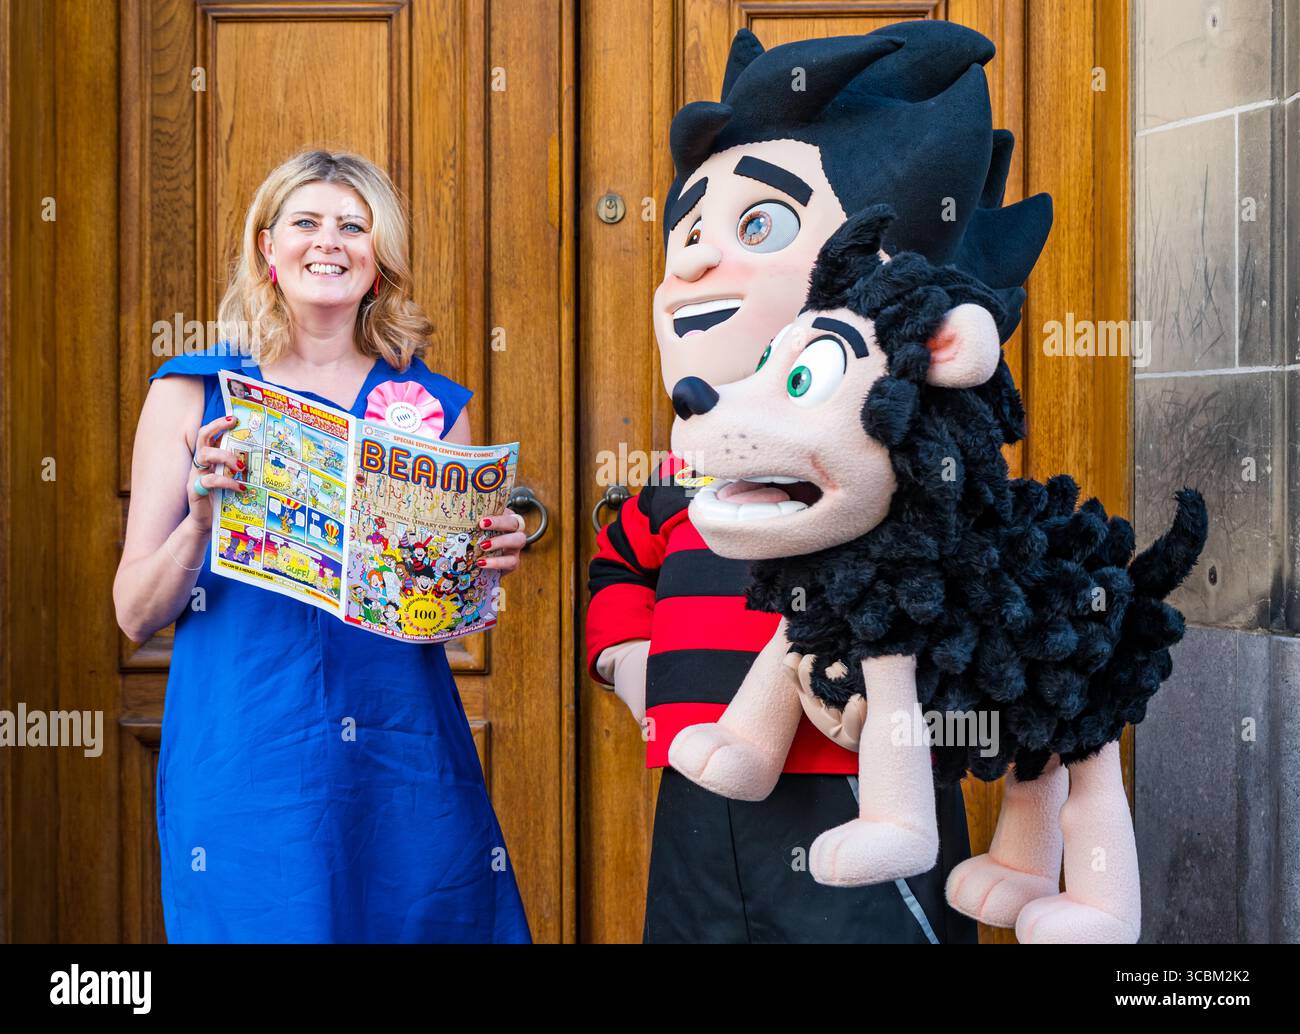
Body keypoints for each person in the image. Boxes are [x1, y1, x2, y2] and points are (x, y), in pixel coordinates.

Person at [586, 23, 1052, 943]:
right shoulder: (686, 475)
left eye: (755, 223)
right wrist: (625, 657)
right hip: (702, 785)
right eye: (688, 229)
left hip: (862, 794)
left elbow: (978, 603)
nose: (688, 261)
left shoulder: (912, 477)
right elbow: (617, 564)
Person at [114, 149, 531, 943]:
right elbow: (134, 612)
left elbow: (437, 625)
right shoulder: (190, 394)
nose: (327, 241)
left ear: (380, 258)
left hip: (398, 748)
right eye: (305, 222)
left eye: (353, 225)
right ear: (268, 249)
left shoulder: (435, 409)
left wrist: (474, 571)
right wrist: (201, 521)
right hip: (245, 743)